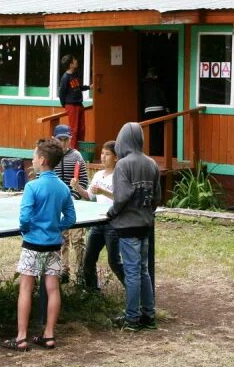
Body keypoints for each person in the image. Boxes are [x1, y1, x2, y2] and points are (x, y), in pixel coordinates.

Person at [2, 138, 76, 351]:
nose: (32, 160)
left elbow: (24, 217)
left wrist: (27, 230)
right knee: (53, 289)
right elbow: (70, 218)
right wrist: (55, 227)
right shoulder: (63, 188)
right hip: (53, 245)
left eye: (34, 156)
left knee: (26, 288)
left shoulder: (32, 187)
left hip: (33, 244)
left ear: (42, 160)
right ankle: (49, 335)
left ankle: (21, 337)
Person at [107, 122, 161, 331]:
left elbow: (121, 197)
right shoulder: (152, 164)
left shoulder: (123, 164)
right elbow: (157, 197)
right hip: (146, 224)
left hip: (127, 226)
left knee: (131, 272)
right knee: (143, 271)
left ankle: (132, 318)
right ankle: (149, 315)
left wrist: (111, 213)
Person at [72, 140, 124, 291]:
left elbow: (122, 197)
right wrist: (77, 187)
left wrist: (103, 192)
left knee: (114, 262)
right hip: (97, 222)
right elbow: (88, 195)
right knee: (89, 259)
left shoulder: (119, 175)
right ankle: (92, 290)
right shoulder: (98, 175)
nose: (103, 157)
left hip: (113, 222)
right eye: (102, 153)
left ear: (116, 157)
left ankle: (133, 291)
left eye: (107, 154)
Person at [52, 124, 88, 284]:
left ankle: (80, 272)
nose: (64, 143)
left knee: (78, 239)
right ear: (54, 139)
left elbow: (84, 181)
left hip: (75, 204)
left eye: (66, 139)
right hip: (56, 205)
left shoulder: (77, 156)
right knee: (61, 239)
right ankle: (63, 271)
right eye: (61, 139)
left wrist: (73, 196)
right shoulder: (50, 156)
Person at [58, 54, 90, 150]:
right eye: (74, 60)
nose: (76, 61)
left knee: (82, 129)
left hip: (79, 104)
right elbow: (61, 92)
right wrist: (65, 105)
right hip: (71, 105)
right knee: (74, 130)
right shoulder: (65, 77)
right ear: (70, 64)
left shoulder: (74, 75)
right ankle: (72, 150)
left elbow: (78, 87)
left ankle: (80, 151)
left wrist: (89, 87)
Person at [141, 67, 169, 157]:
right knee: (159, 132)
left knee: (150, 132)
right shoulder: (158, 84)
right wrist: (167, 108)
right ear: (156, 76)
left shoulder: (144, 84)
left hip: (148, 110)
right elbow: (163, 96)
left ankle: (150, 152)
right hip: (159, 109)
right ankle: (158, 152)